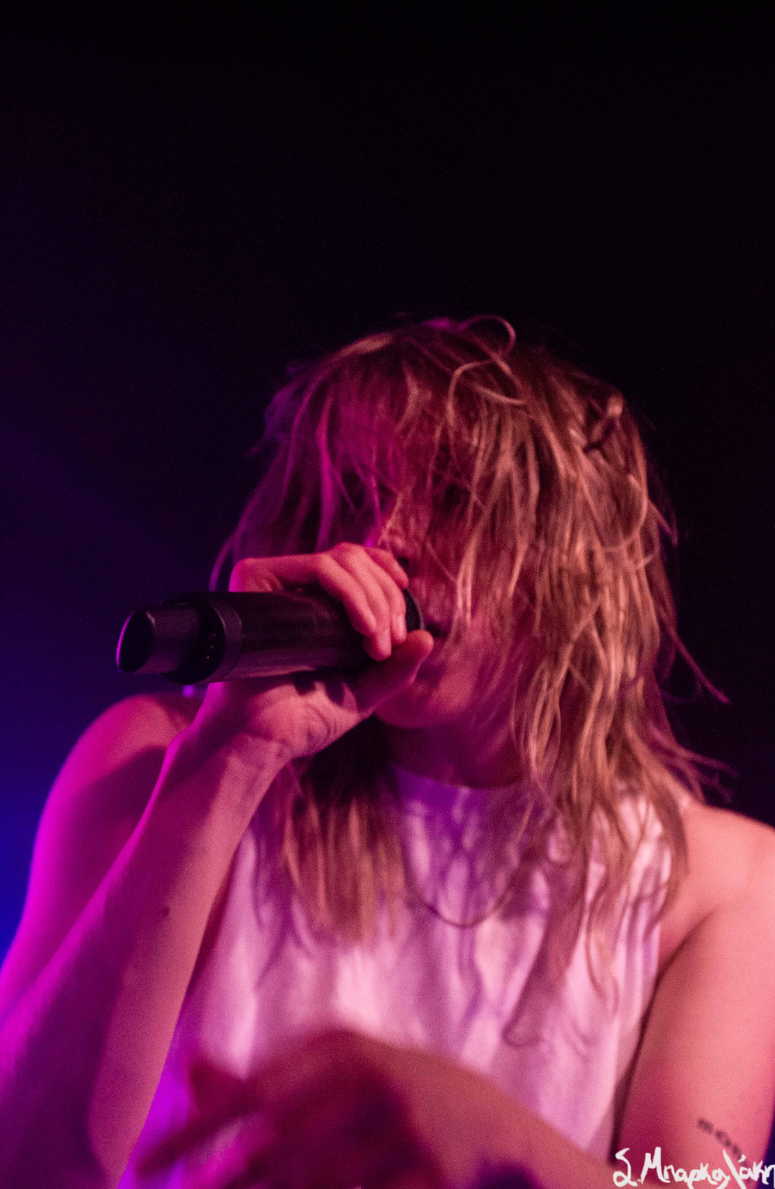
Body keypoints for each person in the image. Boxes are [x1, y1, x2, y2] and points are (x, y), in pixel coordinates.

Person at [0, 317, 774, 1189]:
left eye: (453, 495)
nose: (386, 539)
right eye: (352, 497)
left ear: (575, 556)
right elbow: (27, 1164)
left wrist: (494, 1137)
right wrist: (233, 760)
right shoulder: (156, 760)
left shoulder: (723, 883)